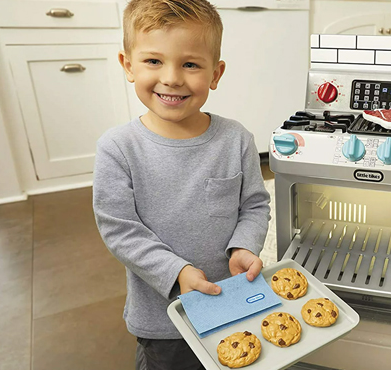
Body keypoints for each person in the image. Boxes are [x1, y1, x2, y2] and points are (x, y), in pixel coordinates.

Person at [92, 0, 271, 368]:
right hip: (164, 319)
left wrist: (244, 245)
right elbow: (121, 230)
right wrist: (177, 273)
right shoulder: (117, 148)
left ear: (216, 74)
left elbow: (254, 205)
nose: (172, 77)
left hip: (232, 302)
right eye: (154, 61)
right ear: (128, 65)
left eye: (190, 64)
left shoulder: (236, 139)